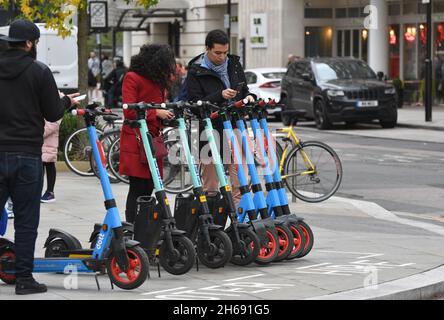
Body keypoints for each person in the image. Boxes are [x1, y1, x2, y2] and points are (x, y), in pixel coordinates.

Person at [0, 19, 79, 295]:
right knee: (25, 220)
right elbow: (53, 113)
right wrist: (68, 102)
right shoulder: (39, 71)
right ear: (30, 43)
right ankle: (24, 279)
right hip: (27, 156)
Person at [186, 29, 255, 207]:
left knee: (241, 180)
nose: (222, 57)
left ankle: (241, 225)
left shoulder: (234, 63)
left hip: (234, 124)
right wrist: (220, 95)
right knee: (210, 185)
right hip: (209, 129)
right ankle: (211, 227)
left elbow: (244, 90)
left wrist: (249, 97)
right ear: (207, 49)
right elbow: (194, 104)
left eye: (225, 52)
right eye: (218, 53)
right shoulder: (196, 70)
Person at [120, 44, 175, 224]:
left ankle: (143, 224)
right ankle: (132, 225)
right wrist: (156, 113)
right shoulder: (132, 78)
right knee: (137, 186)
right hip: (137, 139)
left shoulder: (157, 81)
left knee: (151, 185)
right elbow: (129, 110)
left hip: (152, 138)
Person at [40, 118, 62, 203]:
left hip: (49, 145)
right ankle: (38, 191)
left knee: (50, 166)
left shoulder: (55, 113)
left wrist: (36, 132)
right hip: (41, 145)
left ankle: (50, 192)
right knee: (40, 168)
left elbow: (52, 126)